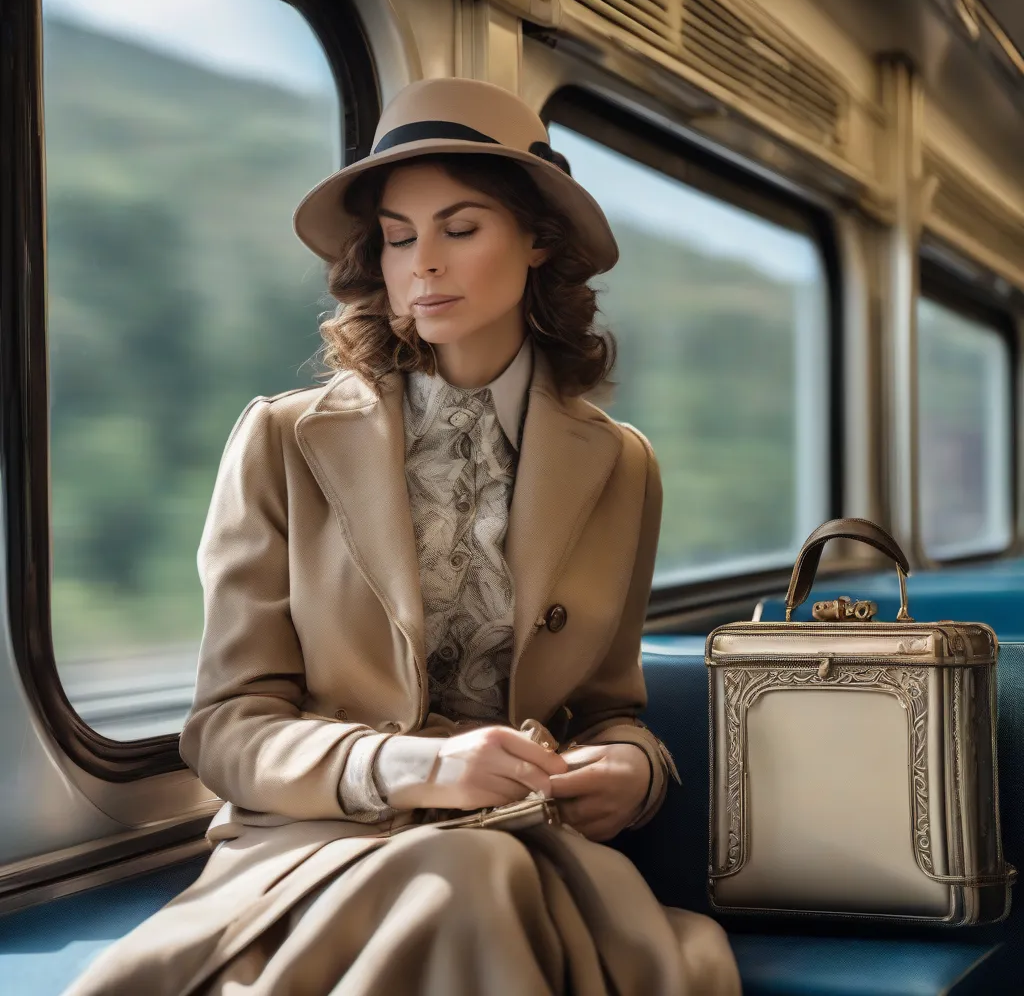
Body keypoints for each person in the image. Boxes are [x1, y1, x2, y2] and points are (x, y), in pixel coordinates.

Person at [65, 77, 741, 996]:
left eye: (460, 230)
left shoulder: (622, 468)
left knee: (485, 869)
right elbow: (226, 731)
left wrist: (634, 770)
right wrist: (405, 763)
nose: (423, 263)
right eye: (397, 237)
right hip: (315, 845)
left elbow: (607, 707)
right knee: (475, 880)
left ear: (538, 240)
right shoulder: (281, 440)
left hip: (523, 842)